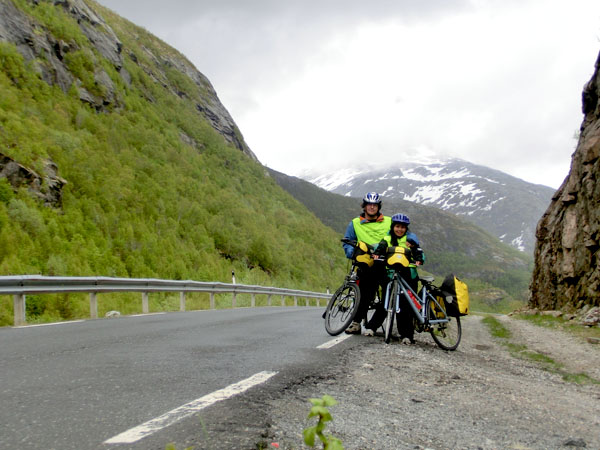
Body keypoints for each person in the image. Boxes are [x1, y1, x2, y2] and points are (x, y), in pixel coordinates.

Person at [342, 192, 391, 336]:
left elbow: (404, 232)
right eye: (369, 204)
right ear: (364, 206)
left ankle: (373, 325)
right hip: (366, 263)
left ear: (378, 207)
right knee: (364, 294)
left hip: (385, 263)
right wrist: (353, 254)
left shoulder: (389, 221)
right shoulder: (355, 223)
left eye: (374, 205)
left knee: (390, 294)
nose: (371, 207)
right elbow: (348, 241)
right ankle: (356, 323)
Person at [372, 213, 425, 343]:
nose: (399, 229)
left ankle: (407, 335)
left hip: (409, 276)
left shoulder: (410, 240)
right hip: (391, 274)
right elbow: (379, 249)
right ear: (393, 227)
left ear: (406, 228)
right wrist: (376, 255)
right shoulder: (387, 239)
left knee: (406, 306)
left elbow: (420, 254)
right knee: (385, 300)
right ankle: (371, 327)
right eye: (397, 226)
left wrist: (418, 260)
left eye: (402, 227)